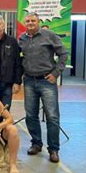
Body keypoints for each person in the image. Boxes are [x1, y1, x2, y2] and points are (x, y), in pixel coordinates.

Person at [19, 12, 67, 163]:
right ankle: (36, 143)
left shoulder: (49, 35)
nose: (30, 23)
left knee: (52, 117)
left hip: (47, 81)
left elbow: (63, 54)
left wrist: (56, 73)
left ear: (38, 21)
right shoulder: (22, 38)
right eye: (28, 21)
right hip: (29, 81)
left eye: (33, 20)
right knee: (31, 115)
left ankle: (53, 149)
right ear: (25, 23)